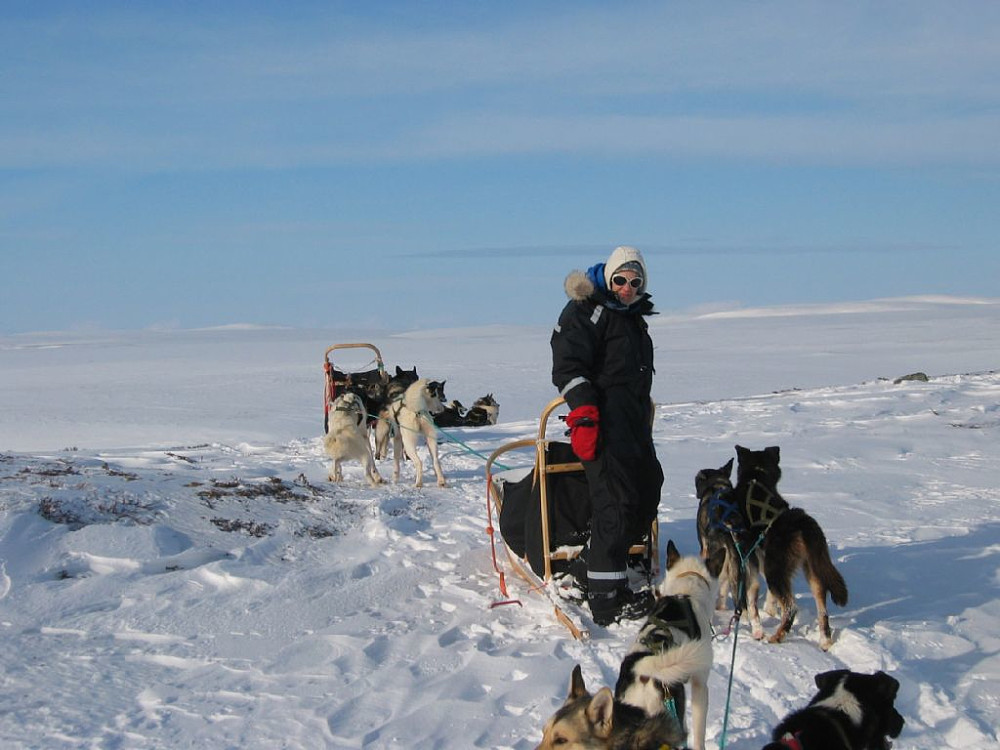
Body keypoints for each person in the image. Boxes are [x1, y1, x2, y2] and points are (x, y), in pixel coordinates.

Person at [550, 245, 664, 626]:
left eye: (635, 281)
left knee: (647, 491)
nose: (628, 287)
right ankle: (607, 599)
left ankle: (586, 567)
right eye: (621, 280)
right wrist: (583, 413)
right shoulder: (586, 310)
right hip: (601, 423)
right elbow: (567, 366)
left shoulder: (631, 317)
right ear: (608, 278)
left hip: (632, 424)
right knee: (614, 504)